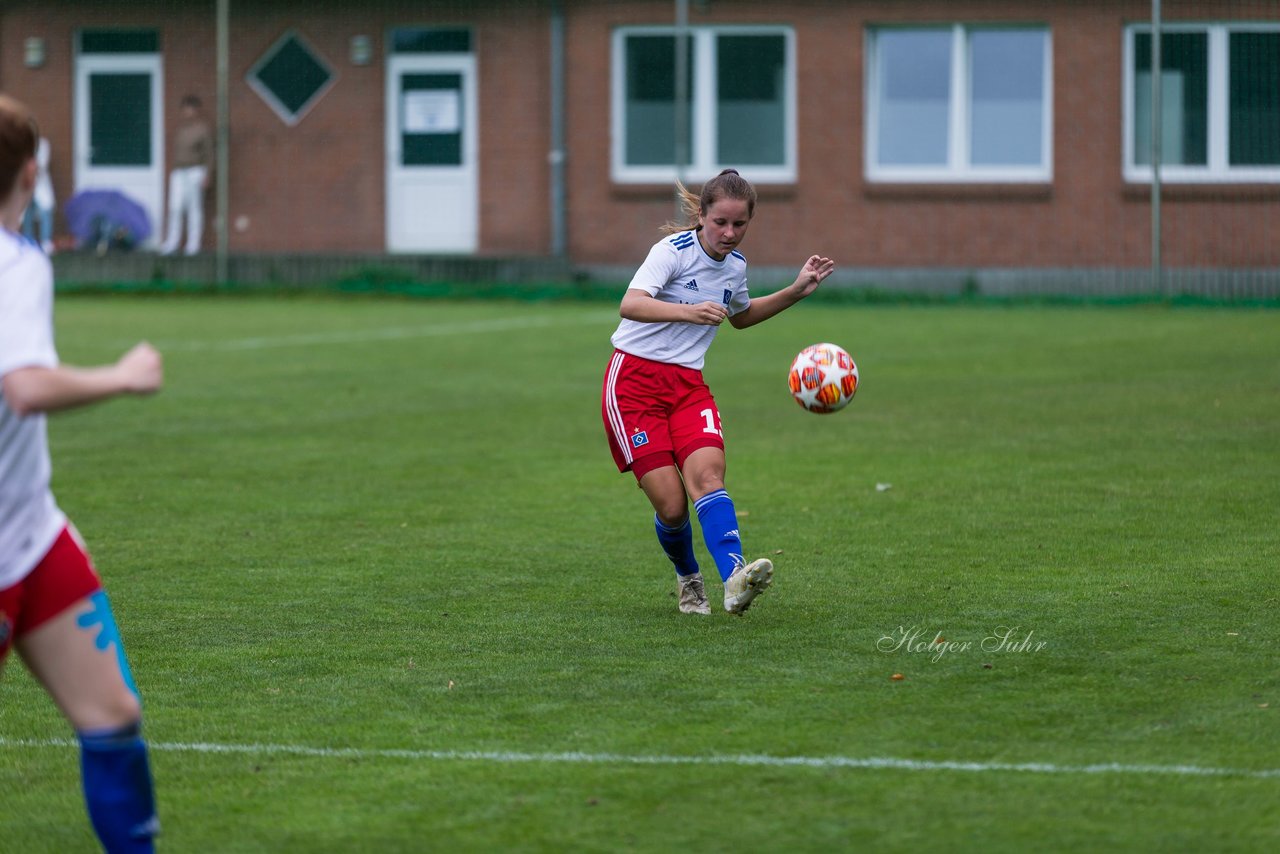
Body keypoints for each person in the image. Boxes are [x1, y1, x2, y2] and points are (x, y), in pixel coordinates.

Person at [0, 94, 162, 852]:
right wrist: (124, 376)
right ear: (30, 173)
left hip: (31, 536)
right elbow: (25, 387)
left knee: (111, 715)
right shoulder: (17, 262)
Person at [601, 168, 834, 616]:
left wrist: (796, 291)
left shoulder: (736, 266)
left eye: (739, 224)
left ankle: (734, 578)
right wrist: (687, 313)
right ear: (702, 215)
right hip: (633, 384)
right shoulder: (671, 252)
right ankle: (689, 579)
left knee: (709, 478)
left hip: (688, 386)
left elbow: (740, 316)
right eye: (720, 222)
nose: (729, 233)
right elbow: (630, 303)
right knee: (671, 507)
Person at [159, 94, 212, 256]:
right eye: (185, 109)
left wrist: (207, 173)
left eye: (191, 109)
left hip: (195, 170)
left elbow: (209, 153)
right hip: (179, 171)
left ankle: (193, 244)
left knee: (194, 208)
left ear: (196, 110)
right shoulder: (181, 130)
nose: (188, 112)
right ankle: (172, 242)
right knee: (175, 207)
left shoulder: (203, 130)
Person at [20, 135, 53, 254]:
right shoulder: (21, 144)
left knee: (45, 212)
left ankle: (46, 242)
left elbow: (40, 166)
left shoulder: (43, 144)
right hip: (25, 185)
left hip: (40, 185)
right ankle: (29, 242)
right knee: (27, 213)